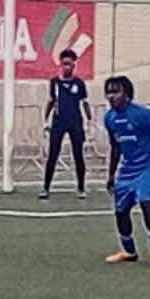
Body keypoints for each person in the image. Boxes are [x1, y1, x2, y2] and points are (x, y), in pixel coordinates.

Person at [102, 76, 150, 266]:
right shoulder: (109, 118)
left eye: (116, 92)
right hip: (127, 168)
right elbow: (115, 147)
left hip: (147, 165)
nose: (111, 96)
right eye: (108, 92)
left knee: (145, 200)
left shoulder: (143, 114)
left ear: (127, 94)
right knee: (120, 210)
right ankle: (129, 251)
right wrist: (110, 175)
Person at [41, 48, 91, 200]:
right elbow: (51, 101)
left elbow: (85, 103)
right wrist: (45, 120)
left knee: (78, 155)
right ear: (60, 65)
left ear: (74, 65)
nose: (66, 67)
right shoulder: (54, 83)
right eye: (64, 64)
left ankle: (81, 188)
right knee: (53, 154)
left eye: (69, 64)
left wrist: (89, 121)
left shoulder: (79, 83)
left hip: (75, 122)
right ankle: (46, 188)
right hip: (58, 122)